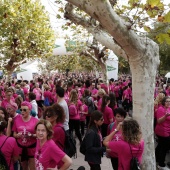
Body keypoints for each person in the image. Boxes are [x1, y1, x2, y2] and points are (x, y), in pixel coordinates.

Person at [12, 101, 38, 170]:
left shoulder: (35, 121)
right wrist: (17, 135)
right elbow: (14, 134)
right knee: (24, 167)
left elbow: (39, 135)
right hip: (20, 148)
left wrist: (32, 135)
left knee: (33, 168)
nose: (22, 111)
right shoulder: (17, 120)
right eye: (21, 110)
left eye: (24, 110)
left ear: (29, 110)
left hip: (32, 147)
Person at [155, 96, 170, 170]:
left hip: (167, 130)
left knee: (161, 145)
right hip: (162, 131)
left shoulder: (168, 108)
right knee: (164, 147)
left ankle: (156, 158)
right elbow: (159, 121)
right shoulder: (161, 109)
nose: (168, 102)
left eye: (169, 101)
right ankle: (161, 164)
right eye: (167, 101)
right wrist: (165, 116)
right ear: (163, 102)